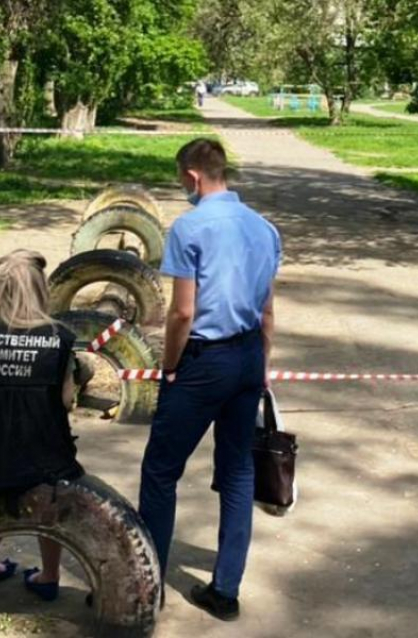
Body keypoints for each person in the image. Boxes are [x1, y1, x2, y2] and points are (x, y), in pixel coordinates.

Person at [138, 138, 281, 621]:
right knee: (238, 472)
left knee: (160, 471)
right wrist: (260, 366)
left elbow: (181, 312)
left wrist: (170, 367)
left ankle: (148, 584)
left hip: (203, 359)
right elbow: (266, 311)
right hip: (246, 357)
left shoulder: (189, 226)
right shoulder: (264, 229)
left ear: (193, 176)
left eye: (182, 180)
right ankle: (225, 590)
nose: (183, 187)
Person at [0, 249, 85, 602]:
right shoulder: (59, 336)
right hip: (41, 464)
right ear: (41, 290)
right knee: (51, 494)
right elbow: (66, 402)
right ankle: (49, 574)